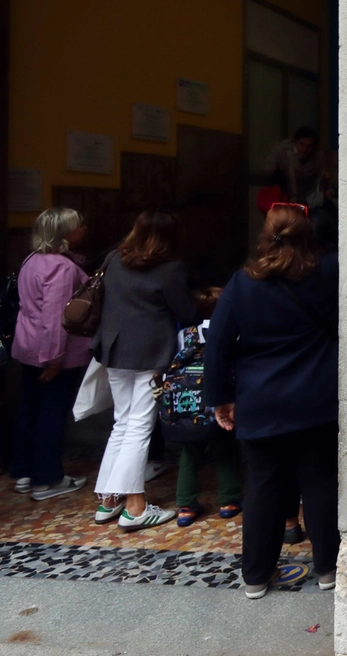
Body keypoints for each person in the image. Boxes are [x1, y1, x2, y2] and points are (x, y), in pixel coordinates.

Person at [205, 203, 338, 599]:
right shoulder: (328, 271)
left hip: (260, 402)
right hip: (316, 398)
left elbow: (218, 345)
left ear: (265, 236)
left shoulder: (242, 282)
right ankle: (329, 568)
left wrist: (220, 399)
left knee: (263, 487)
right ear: (307, 233)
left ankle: (256, 576)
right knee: (319, 482)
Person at [93, 211, 200, 530]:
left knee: (122, 422)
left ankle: (108, 499)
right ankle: (136, 507)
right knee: (139, 426)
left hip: (114, 348)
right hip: (150, 352)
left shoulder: (113, 259)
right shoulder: (170, 269)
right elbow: (188, 312)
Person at [10, 208, 92, 500]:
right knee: (51, 414)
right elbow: (56, 318)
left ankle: (24, 471)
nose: (84, 228)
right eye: (78, 225)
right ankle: (46, 480)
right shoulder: (60, 267)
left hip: (28, 348)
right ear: (66, 234)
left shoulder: (32, 260)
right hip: (53, 353)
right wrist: (55, 360)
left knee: (30, 408)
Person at [172, 287, 242, 527]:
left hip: (188, 403)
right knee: (225, 448)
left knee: (189, 452)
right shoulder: (233, 332)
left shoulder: (185, 333)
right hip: (217, 399)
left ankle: (185, 505)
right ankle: (229, 500)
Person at [263, 127, 331, 207]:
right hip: (284, 197)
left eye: (309, 146)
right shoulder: (281, 151)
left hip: (308, 199)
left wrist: (324, 177)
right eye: (301, 144)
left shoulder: (318, 155)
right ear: (295, 142)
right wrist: (275, 170)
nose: (305, 149)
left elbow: (323, 178)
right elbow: (267, 170)